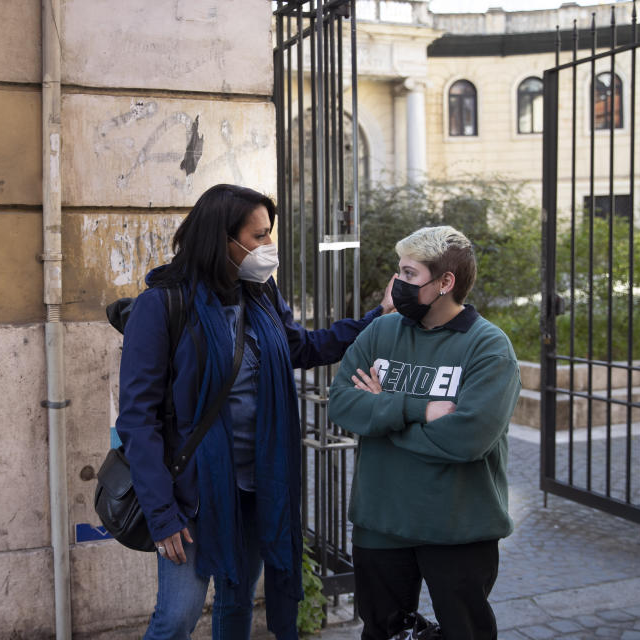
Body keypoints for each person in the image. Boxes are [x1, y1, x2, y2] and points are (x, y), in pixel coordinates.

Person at [116, 183, 394, 640]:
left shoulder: (260, 294)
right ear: (220, 239)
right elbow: (137, 418)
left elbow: (302, 346)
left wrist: (375, 317)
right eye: (258, 236)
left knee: (238, 599)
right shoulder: (162, 306)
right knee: (177, 616)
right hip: (192, 493)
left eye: (270, 233)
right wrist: (162, 512)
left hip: (256, 484)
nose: (269, 247)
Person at [327, 226, 521, 640]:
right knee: (382, 633)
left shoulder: (488, 348)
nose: (397, 284)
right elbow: (342, 404)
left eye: (409, 274)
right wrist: (418, 409)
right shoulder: (381, 332)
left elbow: (466, 439)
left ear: (445, 282)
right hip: (380, 524)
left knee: (465, 632)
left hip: (457, 528)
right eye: (399, 272)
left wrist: (382, 419)